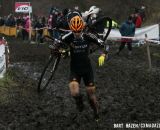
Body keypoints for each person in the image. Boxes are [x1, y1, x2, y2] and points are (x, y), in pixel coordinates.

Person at [57, 15, 110, 121]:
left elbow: (105, 45)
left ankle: (96, 112)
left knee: (91, 96)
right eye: (74, 31)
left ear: (82, 28)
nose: (76, 33)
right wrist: (61, 52)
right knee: (74, 92)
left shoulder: (88, 36)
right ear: (71, 29)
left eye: (79, 31)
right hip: (75, 69)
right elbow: (56, 46)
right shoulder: (67, 37)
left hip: (87, 70)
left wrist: (104, 55)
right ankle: (79, 103)